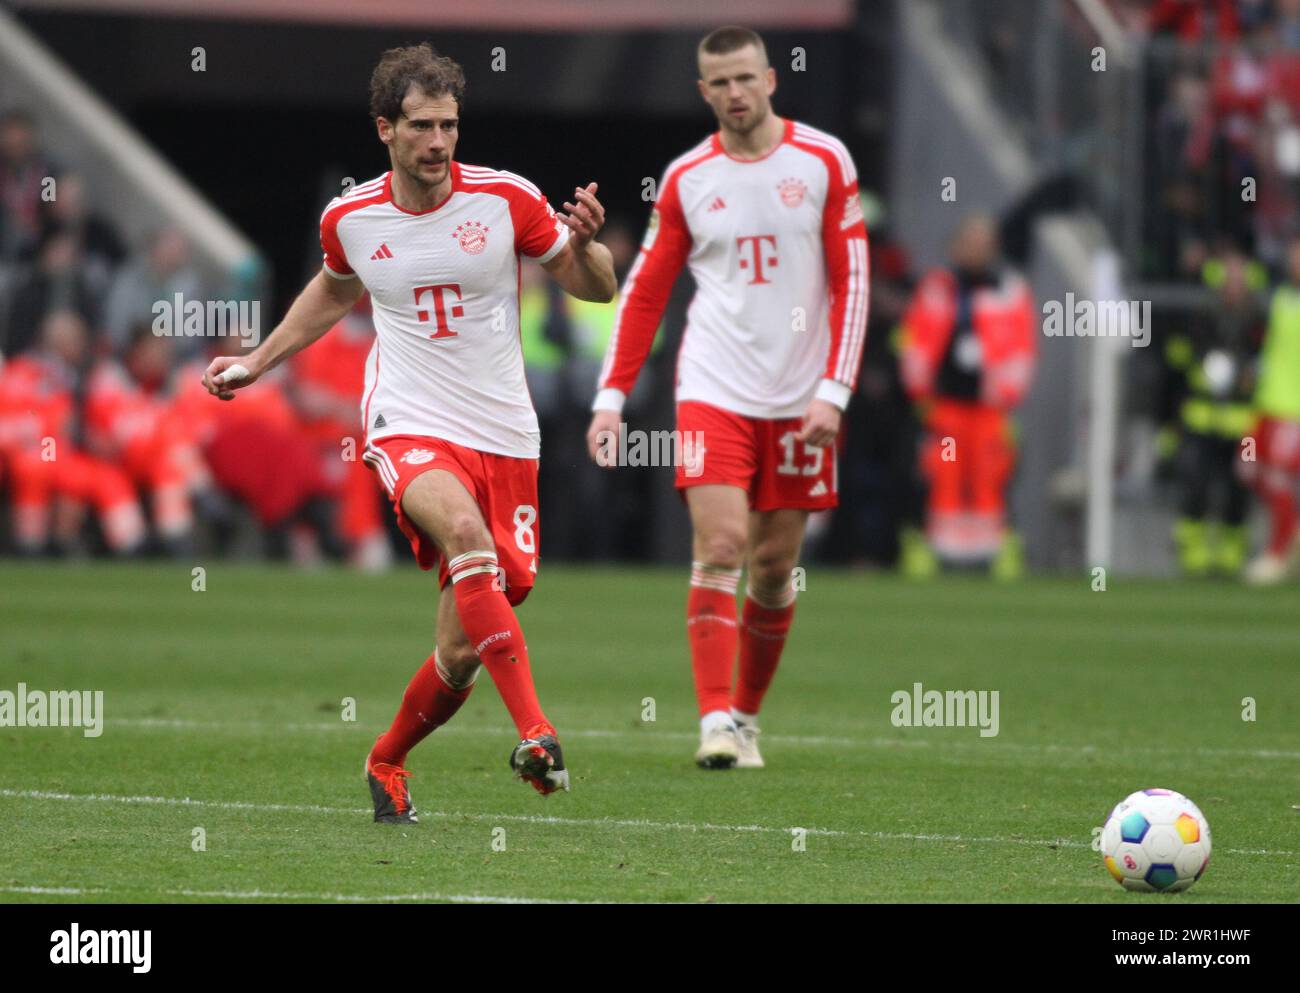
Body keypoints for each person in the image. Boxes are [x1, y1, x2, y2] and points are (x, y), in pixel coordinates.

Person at [201, 43, 615, 822]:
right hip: (408, 419)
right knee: (466, 534)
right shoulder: (351, 218)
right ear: (385, 129)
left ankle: (387, 757)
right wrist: (259, 360)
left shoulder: (506, 199)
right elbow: (332, 290)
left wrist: (590, 246)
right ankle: (537, 731)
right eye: (422, 125)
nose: (439, 141)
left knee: (461, 650)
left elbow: (594, 289)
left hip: (504, 430)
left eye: (450, 124)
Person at [586, 26, 868, 769]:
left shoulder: (823, 161)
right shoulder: (687, 178)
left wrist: (833, 392)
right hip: (712, 386)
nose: (736, 93)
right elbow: (645, 289)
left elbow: (853, 284)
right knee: (720, 547)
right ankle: (712, 720)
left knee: (774, 570)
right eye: (721, 83)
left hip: (802, 395)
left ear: (772, 79)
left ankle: (745, 718)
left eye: (747, 78)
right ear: (703, 91)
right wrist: (610, 397)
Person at [898, 214, 1036, 576]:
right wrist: (920, 392)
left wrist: (1007, 393)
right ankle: (934, 552)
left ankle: (998, 554)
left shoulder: (1009, 290)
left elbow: (1022, 349)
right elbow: (915, 341)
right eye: (969, 242)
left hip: (989, 411)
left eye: (983, 242)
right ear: (956, 246)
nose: (976, 250)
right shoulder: (937, 289)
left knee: (991, 476)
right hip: (946, 410)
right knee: (943, 474)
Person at [1242, 237, 1300, 583]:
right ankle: (1289, 528)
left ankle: (1276, 554)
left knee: (1278, 476)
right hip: (1266, 403)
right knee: (1247, 467)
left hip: (1292, 409)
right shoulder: (1281, 297)